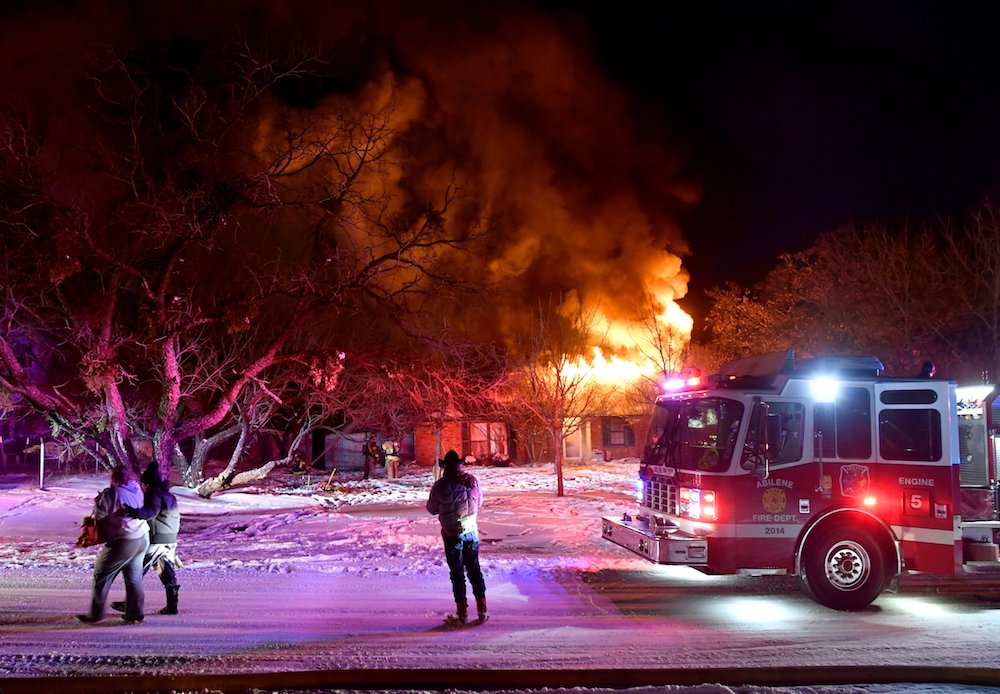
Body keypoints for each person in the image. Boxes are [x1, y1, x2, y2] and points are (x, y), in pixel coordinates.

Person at [77, 466, 150, 624]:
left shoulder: (113, 493)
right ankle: (135, 613)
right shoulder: (136, 488)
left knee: (101, 574)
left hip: (124, 539)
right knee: (134, 578)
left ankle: (95, 614)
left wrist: (99, 500)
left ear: (114, 478)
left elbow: (100, 516)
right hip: (142, 536)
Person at [426, 450, 488, 624]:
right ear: (461, 465)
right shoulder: (472, 481)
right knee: (474, 570)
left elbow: (432, 509)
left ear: (446, 467)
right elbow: (480, 502)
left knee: (457, 572)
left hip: (452, 533)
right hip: (471, 532)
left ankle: (462, 613)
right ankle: (482, 609)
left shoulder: (441, 486)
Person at [115, 462, 182, 615]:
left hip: (157, 539)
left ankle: (129, 604)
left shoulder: (153, 494)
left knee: (137, 570)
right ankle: (172, 605)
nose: (142, 488)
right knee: (167, 571)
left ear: (147, 484)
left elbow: (151, 512)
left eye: (142, 485)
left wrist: (132, 512)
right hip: (171, 539)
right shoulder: (169, 496)